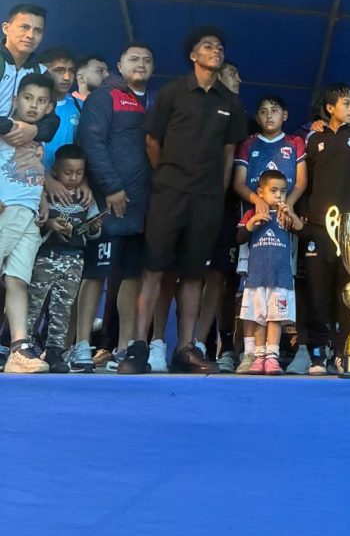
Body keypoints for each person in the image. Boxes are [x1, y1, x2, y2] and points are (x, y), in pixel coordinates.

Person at [121, 26, 247, 374]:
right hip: (169, 194)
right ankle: (137, 347)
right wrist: (167, 175)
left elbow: (229, 152)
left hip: (207, 200)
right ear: (193, 55)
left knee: (194, 273)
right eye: (208, 46)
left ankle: (186, 348)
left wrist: (217, 191)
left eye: (219, 47)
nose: (216, 50)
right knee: (154, 268)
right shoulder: (172, 93)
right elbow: (152, 140)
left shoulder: (230, 102)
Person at [70, 42, 155, 373]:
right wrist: (111, 187)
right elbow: (91, 141)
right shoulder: (106, 96)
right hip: (109, 202)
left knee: (131, 276)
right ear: (119, 65)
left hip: (141, 205)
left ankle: (123, 347)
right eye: (134, 59)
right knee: (95, 273)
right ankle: (80, 345)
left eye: (147, 60)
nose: (141, 64)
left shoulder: (153, 102)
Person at [232, 95, 306, 373]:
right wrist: (257, 201)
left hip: (282, 233)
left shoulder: (295, 142)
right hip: (255, 233)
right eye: (263, 111)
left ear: (284, 114)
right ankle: (250, 353)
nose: (269, 116)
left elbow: (301, 182)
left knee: (277, 293)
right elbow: (239, 183)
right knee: (251, 296)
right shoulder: (249, 143)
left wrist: (289, 206)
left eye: (274, 111)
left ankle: (270, 354)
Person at [303, 82, 350, 375]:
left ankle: (345, 351)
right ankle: (318, 353)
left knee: (349, 291)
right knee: (317, 292)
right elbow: (304, 181)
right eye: (346, 104)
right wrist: (304, 216)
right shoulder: (313, 137)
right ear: (330, 108)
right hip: (319, 227)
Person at [195, 59, 251, 373]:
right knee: (191, 276)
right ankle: (189, 343)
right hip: (197, 202)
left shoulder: (247, 120)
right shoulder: (199, 110)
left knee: (225, 277)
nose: (238, 78)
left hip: (233, 209)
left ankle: (223, 344)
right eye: (232, 73)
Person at [26, 144, 102, 373]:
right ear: (55, 171)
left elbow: (93, 230)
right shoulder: (46, 194)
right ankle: (22, 347)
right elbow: (35, 220)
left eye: (79, 173)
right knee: (33, 304)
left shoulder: (86, 198)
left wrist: (94, 227)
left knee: (62, 308)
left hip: (74, 260)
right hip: (45, 257)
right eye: (68, 172)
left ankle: (54, 352)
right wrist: (50, 223)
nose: (73, 178)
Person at [0, 72, 54, 373]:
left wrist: (42, 199)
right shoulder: (6, 129)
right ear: (14, 99)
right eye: (28, 98)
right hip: (5, 210)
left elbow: (32, 173)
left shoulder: (37, 137)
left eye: (41, 101)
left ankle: (18, 348)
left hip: (29, 215)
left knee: (18, 280)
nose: (33, 105)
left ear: (49, 107)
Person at [237, 169, 303, 374]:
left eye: (282, 191)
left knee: (275, 317)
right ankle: (259, 356)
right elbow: (239, 238)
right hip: (257, 276)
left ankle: (272, 357)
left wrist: (291, 214)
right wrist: (253, 222)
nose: (278, 195)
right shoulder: (252, 213)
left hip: (280, 277)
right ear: (261, 192)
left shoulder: (284, 215)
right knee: (258, 316)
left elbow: (301, 229)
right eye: (273, 191)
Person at [0, 4, 59, 145]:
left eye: (37, 30)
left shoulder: (42, 72)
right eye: (24, 27)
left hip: (19, 154)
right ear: (6, 28)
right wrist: (11, 127)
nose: (30, 35)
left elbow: (52, 119)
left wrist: (35, 130)